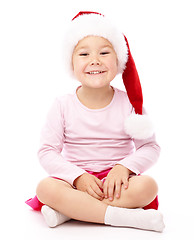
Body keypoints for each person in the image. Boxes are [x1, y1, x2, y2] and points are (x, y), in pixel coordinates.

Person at [26, 11, 165, 232]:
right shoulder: (63, 105)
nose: (95, 60)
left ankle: (69, 211)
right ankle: (124, 217)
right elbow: (47, 151)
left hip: (117, 184)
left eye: (103, 52)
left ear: (119, 59)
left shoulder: (129, 103)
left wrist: (123, 168)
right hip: (75, 182)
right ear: (71, 63)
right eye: (84, 54)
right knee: (46, 187)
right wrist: (77, 177)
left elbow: (150, 147)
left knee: (148, 186)